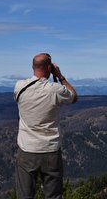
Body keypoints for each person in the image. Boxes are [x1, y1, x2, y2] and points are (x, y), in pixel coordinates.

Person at [14, 53, 77, 199]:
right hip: (51, 150)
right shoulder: (55, 89)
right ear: (49, 67)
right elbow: (73, 96)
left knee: (24, 195)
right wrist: (60, 76)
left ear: (32, 67)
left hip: (27, 149)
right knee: (53, 195)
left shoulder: (19, 87)